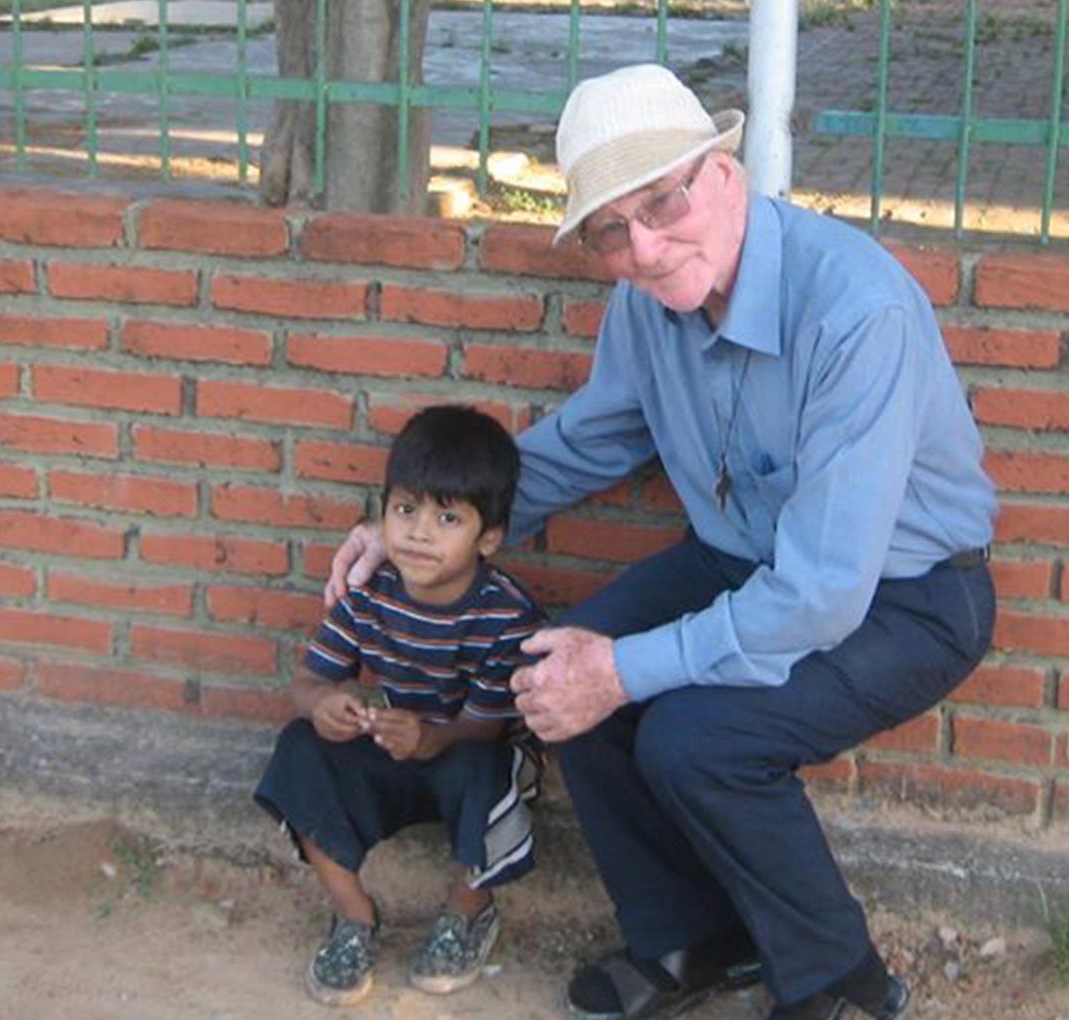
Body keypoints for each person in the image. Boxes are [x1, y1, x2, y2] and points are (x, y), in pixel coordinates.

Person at [328, 63, 997, 1020]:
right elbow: (584, 443)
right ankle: (693, 938)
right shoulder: (649, 302)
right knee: (554, 672)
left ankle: (842, 982)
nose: (642, 246)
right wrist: (412, 531)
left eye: (663, 201)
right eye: (610, 229)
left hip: (910, 596)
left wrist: (629, 670)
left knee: (697, 739)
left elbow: (821, 593)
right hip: (742, 565)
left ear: (722, 174)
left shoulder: (855, 311)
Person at [256, 404, 544, 1007]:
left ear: (487, 536)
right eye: (405, 510)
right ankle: (354, 917)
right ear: (382, 512)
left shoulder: (504, 614)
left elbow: (485, 729)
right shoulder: (369, 594)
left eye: (447, 518)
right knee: (299, 748)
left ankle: (468, 913)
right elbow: (307, 680)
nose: (418, 533)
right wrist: (326, 703)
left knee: (488, 774)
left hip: (466, 750)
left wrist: (430, 739)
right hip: (394, 740)